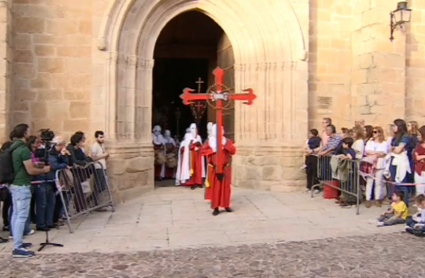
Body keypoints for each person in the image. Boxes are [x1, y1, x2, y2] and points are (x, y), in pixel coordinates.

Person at [10, 124, 50, 258]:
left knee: (16, 214)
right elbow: (30, 170)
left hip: (15, 184)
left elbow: (24, 165)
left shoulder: (14, 147)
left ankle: (18, 242)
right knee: (21, 216)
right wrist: (43, 170)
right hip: (22, 185)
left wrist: (35, 164)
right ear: (25, 133)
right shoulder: (23, 149)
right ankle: (17, 247)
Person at [201, 124, 236, 216]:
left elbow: (233, 151)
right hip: (214, 168)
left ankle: (226, 205)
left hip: (226, 168)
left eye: (221, 130)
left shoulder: (227, 141)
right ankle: (215, 207)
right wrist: (213, 149)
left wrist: (225, 145)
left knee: (226, 187)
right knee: (215, 188)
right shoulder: (210, 142)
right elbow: (202, 151)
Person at [386, 119, 411, 206]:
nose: (393, 128)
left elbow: (398, 150)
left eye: (394, 126)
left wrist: (394, 149)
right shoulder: (395, 137)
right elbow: (391, 148)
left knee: (402, 184)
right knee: (395, 184)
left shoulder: (405, 136)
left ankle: (405, 204)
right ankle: (396, 204)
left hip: (400, 161)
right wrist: (394, 149)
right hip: (393, 161)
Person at [364, 126, 388, 208]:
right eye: (373, 132)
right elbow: (367, 151)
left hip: (380, 163)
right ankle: (368, 199)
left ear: (379, 133)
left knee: (378, 182)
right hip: (371, 163)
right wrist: (376, 153)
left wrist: (374, 153)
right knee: (369, 181)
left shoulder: (384, 142)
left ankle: (378, 198)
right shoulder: (370, 141)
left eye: (375, 132)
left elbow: (383, 152)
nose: (373, 133)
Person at [179, 123, 205, 190]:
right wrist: (193, 145)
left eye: (195, 128)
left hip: (198, 155)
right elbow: (188, 145)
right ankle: (192, 182)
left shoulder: (198, 137)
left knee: (198, 168)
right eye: (192, 128)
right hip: (191, 156)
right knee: (191, 169)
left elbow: (201, 145)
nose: (194, 130)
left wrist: (198, 147)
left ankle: (199, 182)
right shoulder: (188, 136)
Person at [414, 126, 425, 195]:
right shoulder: (419, 146)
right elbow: (416, 157)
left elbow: (418, 156)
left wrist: (421, 157)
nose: (418, 136)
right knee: (419, 191)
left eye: (419, 135)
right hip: (419, 171)